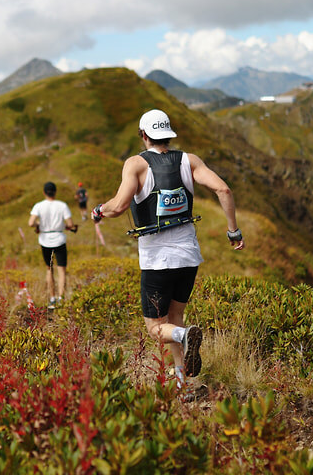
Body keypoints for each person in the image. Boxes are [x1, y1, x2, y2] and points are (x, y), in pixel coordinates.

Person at [91, 109, 245, 385]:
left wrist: (99, 210)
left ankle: (184, 337)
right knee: (175, 317)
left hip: (157, 260)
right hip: (188, 256)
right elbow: (224, 190)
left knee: (157, 328)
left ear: (144, 135)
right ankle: (182, 381)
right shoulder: (190, 160)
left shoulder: (136, 164)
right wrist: (233, 230)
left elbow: (120, 205)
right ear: (168, 134)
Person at [29, 182, 77, 307]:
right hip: (59, 238)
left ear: (44, 192)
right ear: (55, 192)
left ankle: (52, 297)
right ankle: (61, 297)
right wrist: (66, 226)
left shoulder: (39, 206)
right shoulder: (62, 205)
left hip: (45, 239)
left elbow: (30, 223)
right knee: (61, 270)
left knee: (49, 269)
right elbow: (71, 224)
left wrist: (38, 225)